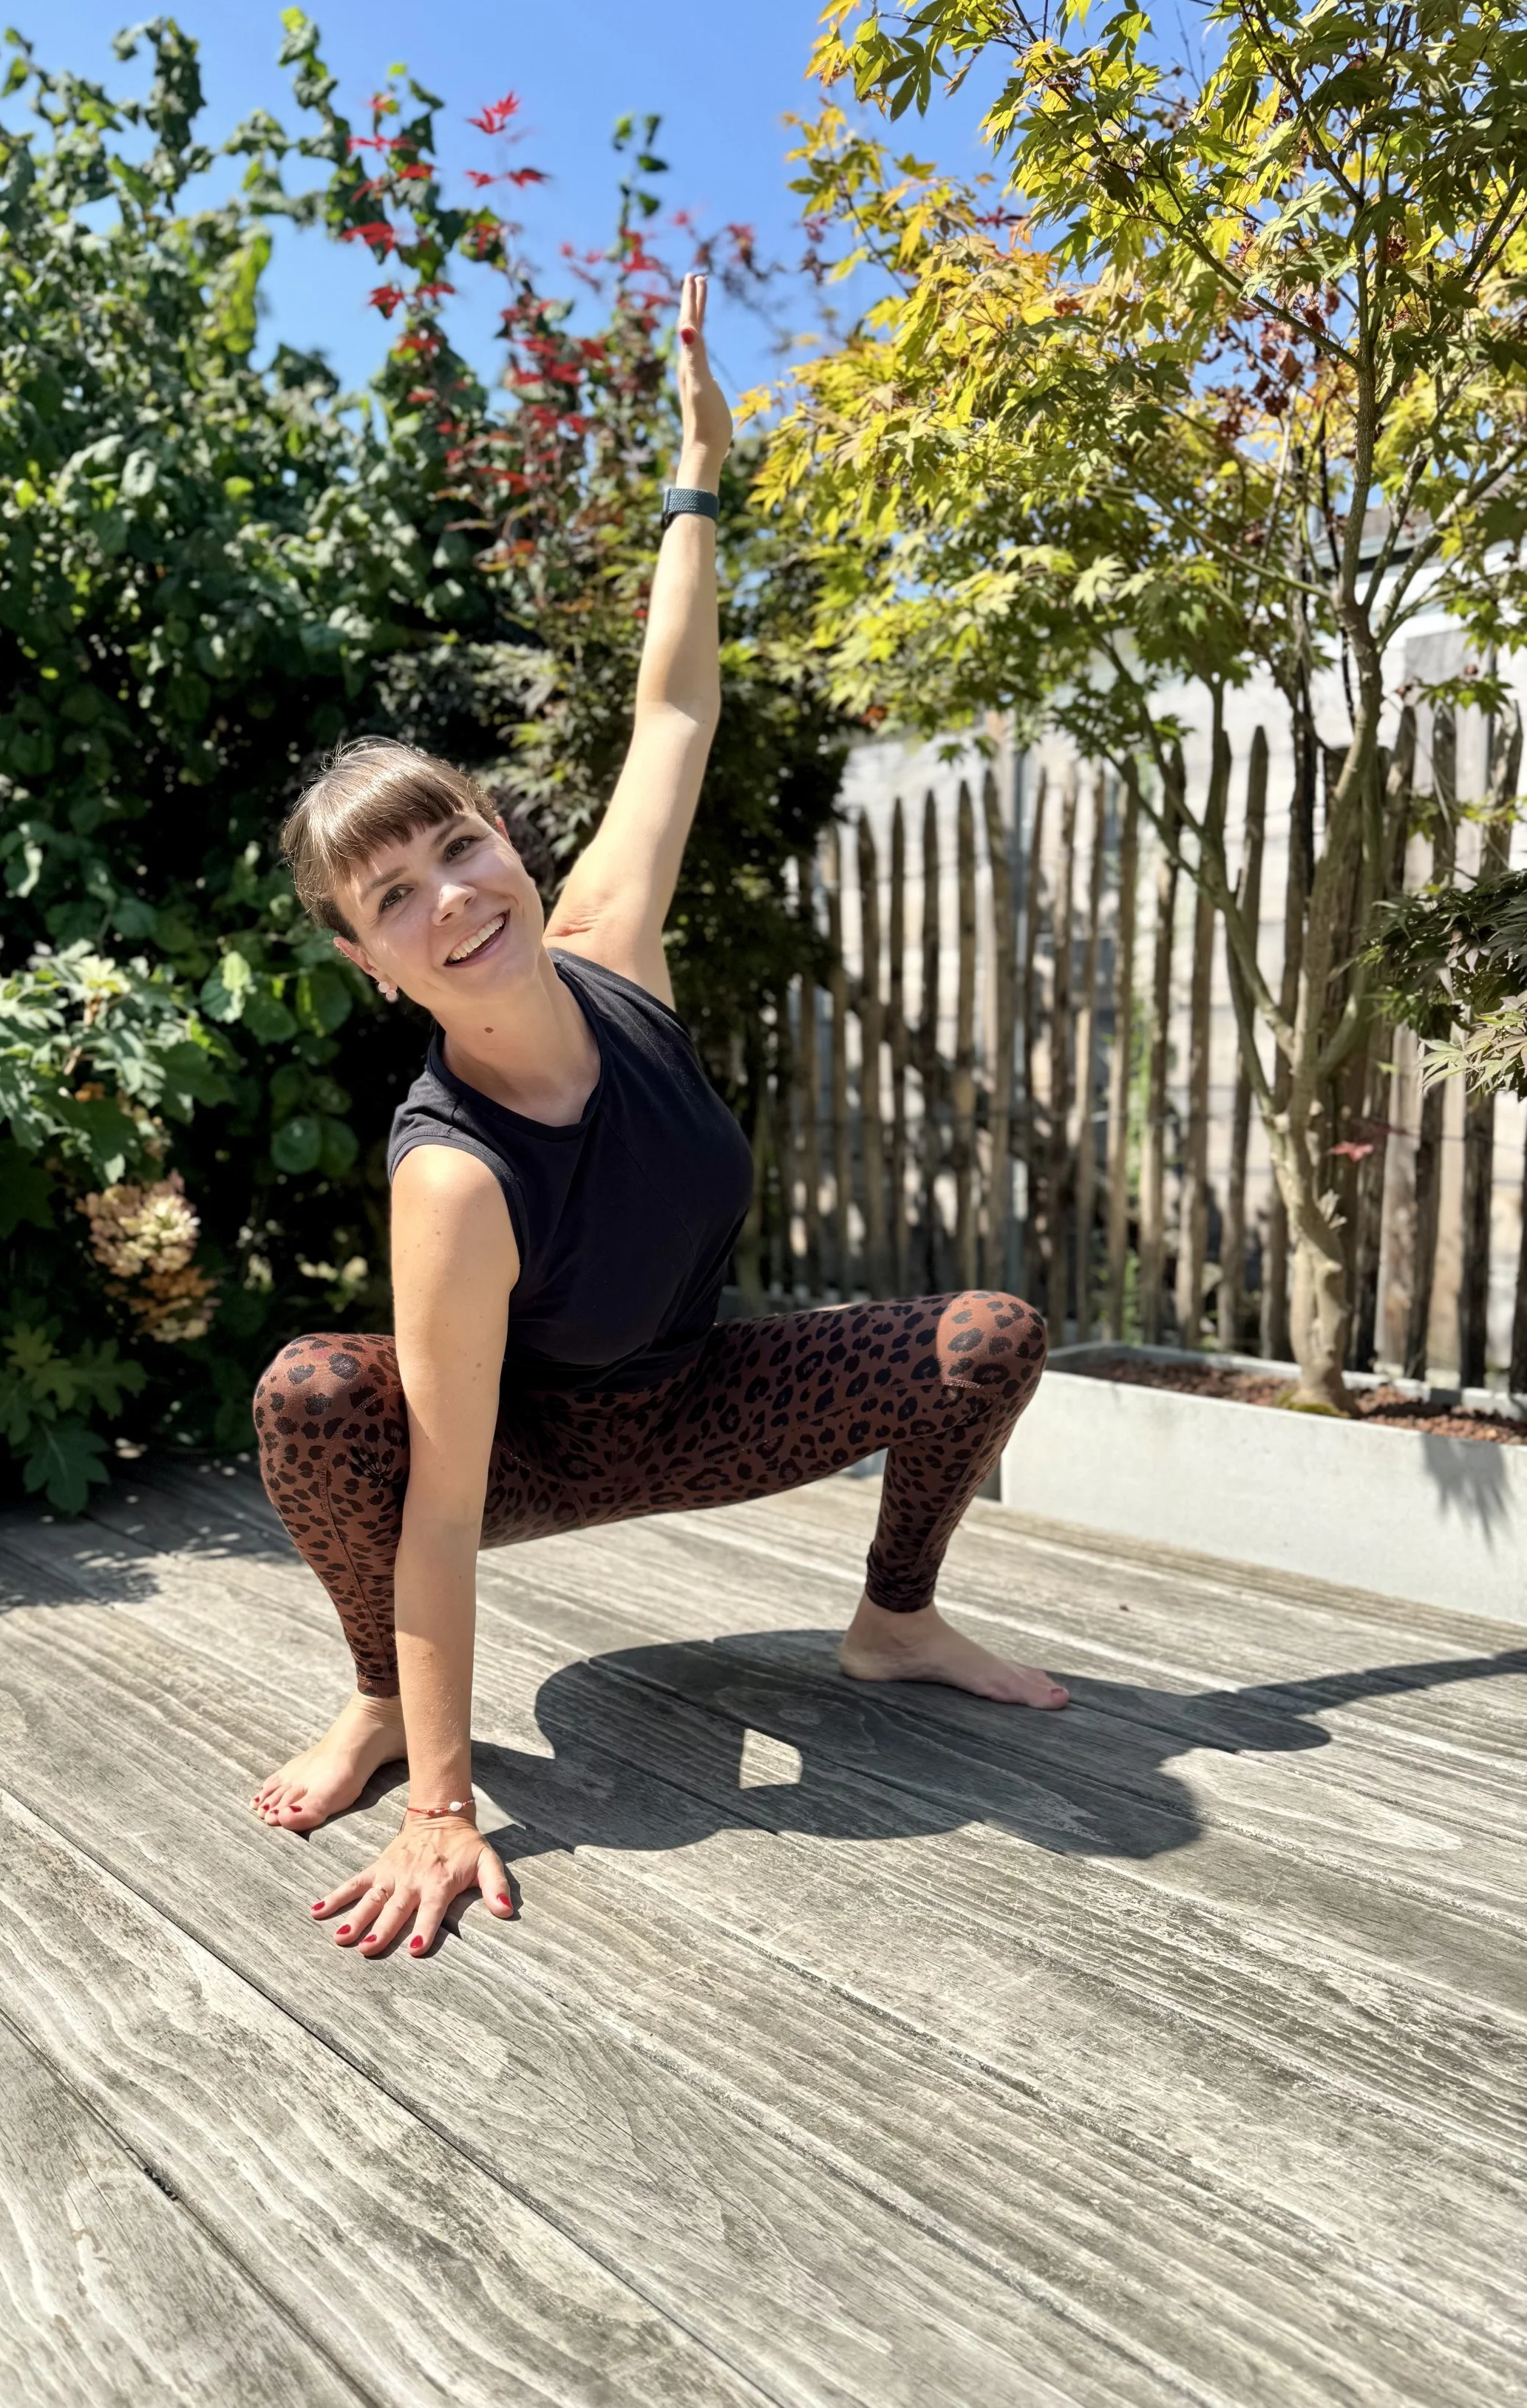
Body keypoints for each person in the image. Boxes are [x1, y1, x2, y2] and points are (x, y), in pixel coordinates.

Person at [252, 273, 1064, 1961]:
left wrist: (697, 471)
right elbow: (449, 1505)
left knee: (987, 1334)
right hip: (531, 1459)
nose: (451, 899)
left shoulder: (610, 946)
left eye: (458, 844)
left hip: (697, 1398)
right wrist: (442, 1808)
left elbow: (672, 710)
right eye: (393, 896)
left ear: (502, 836)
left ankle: (892, 1624)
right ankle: (380, 1710)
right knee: (322, 1395)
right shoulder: (453, 1179)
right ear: (369, 961)